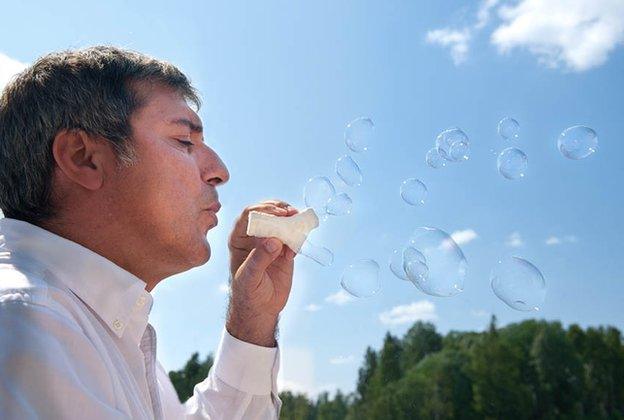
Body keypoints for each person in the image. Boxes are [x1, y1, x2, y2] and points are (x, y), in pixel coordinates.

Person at [0, 45, 298, 419]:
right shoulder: (27, 323)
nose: (220, 171)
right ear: (83, 158)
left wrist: (251, 318)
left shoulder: (103, 334)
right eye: (184, 141)